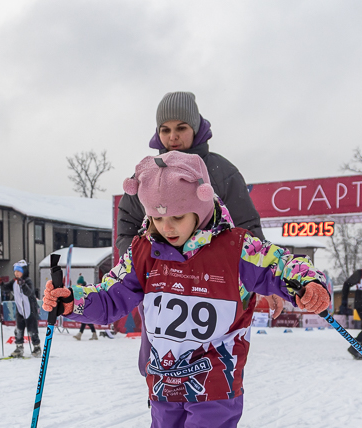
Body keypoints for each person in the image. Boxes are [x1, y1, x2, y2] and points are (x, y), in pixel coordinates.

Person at [42, 152, 330, 428]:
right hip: (164, 378)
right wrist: (72, 302)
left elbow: (283, 266)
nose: (168, 226)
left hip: (216, 379)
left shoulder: (237, 247)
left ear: (203, 204)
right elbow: (111, 294)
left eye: (178, 215)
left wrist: (308, 285)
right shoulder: (144, 249)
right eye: (158, 218)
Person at [115, 91, 285, 320]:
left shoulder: (222, 172)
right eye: (165, 130)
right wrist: (140, 269)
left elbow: (247, 228)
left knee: (216, 353)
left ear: (195, 128)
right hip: (162, 292)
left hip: (215, 289)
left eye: (181, 128)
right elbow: (127, 225)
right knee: (158, 354)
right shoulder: (147, 175)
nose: (173, 136)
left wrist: (269, 279)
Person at [10, 259, 40, 357]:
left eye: (18, 271)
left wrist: (23, 285)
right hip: (20, 310)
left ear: (23, 272)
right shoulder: (14, 282)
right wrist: (1, 284)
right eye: (15, 271)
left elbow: (29, 292)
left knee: (32, 330)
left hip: (30, 309)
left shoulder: (28, 281)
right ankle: (19, 348)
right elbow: (6, 287)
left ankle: (36, 348)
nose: (16, 273)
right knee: (19, 329)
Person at [73, 275, 97, 340]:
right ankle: (94, 334)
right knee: (86, 320)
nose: (78, 284)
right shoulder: (80, 288)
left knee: (85, 320)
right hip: (84, 307)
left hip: (87, 306)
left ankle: (80, 334)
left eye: (79, 283)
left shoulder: (85, 288)